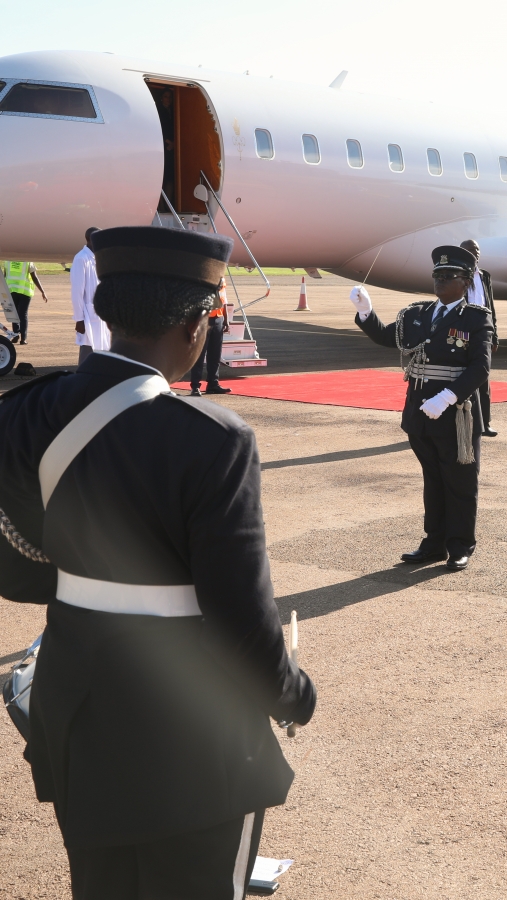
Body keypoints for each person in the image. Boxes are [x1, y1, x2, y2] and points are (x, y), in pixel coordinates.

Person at [0, 226, 316, 898]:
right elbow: (240, 623)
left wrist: (86, 585)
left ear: (109, 311)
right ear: (198, 323)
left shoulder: (24, 412)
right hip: (189, 732)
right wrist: (294, 693)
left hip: (76, 701)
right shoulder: (214, 439)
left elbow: (12, 562)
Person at [352, 246, 493, 570]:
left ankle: (460, 545)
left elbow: (479, 368)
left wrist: (446, 397)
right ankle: (433, 543)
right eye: (437, 276)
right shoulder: (417, 314)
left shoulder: (475, 318)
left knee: (459, 482)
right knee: (433, 480)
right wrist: (366, 313)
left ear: (466, 281)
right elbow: (389, 337)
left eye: (449, 276)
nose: (440, 281)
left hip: (455, 415)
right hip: (419, 414)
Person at [460, 239, 499, 437]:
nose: (475, 253)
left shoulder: (485, 276)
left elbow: (490, 307)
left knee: (483, 379)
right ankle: (463, 424)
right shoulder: (456, 275)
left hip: (483, 333)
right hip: (463, 335)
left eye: (477, 250)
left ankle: (485, 423)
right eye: (471, 250)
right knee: (462, 380)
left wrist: (495, 336)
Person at [70, 228, 110, 364]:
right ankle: (83, 382)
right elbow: (77, 292)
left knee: (102, 353)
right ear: (90, 240)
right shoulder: (81, 259)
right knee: (88, 353)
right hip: (88, 317)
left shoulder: (98, 258)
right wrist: (79, 319)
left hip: (100, 316)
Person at [189, 277, 231, 396]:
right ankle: (195, 386)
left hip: (218, 318)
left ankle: (213, 383)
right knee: (200, 354)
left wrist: (226, 320)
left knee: (215, 354)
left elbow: (224, 300)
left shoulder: (222, 279)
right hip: (204, 319)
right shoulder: (207, 275)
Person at [5, 260, 48, 345]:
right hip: (25, 291)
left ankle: (16, 334)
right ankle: (23, 338)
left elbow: (4, 276)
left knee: (15, 313)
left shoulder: (8, 261)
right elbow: (34, 277)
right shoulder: (27, 261)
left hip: (11, 290)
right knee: (23, 314)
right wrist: (42, 291)